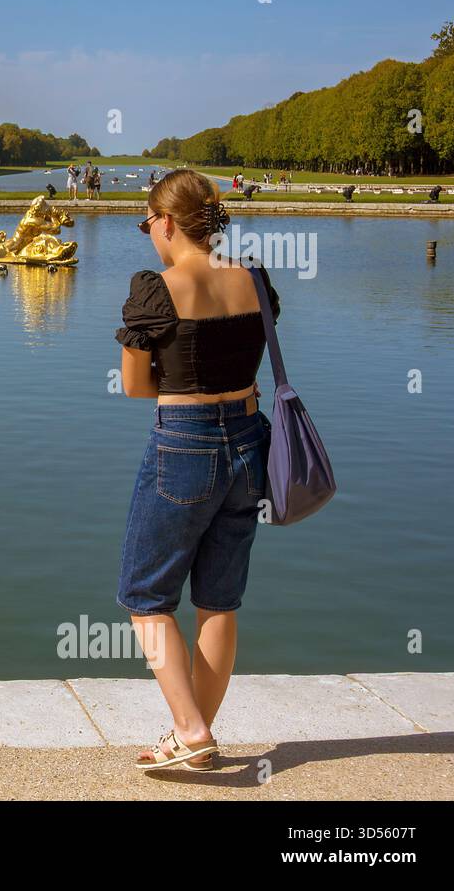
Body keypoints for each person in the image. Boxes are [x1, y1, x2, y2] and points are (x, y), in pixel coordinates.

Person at [114, 169, 280, 772]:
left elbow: (135, 386)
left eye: (147, 224)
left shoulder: (155, 288)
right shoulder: (255, 279)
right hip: (250, 444)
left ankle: (190, 729)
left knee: (145, 595)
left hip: (184, 444)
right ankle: (193, 734)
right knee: (219, 601)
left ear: (165, 222)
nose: (149, 236)